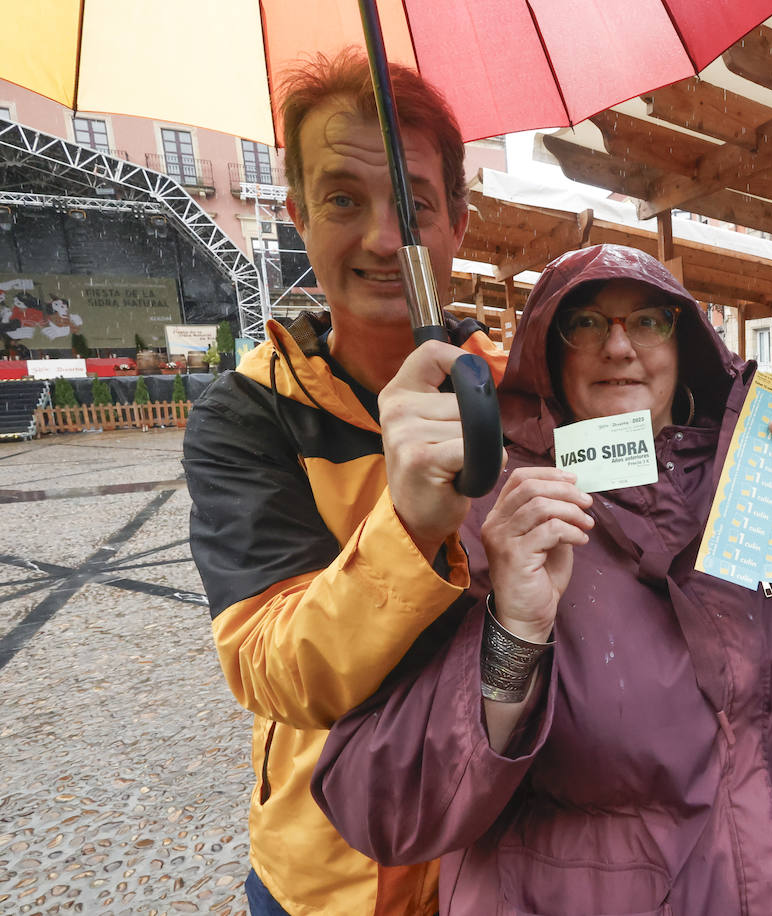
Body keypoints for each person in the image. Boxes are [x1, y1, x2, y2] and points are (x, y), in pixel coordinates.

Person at [312, 244, 772, 915]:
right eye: (585, 323)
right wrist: (515, 630)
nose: (619, 348)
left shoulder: (761, 473)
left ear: (685, 344)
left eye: (648, 321)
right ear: (548, 352)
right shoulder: (487, 509)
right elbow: (385, 802)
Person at [183, 51, 506, 916]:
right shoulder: (248, 415)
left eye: (414, 206)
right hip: (328, 877)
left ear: (458, 226)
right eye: (341, 201)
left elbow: (655, 472)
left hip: (500, 859)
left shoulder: (519, 390)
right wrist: (407, 527)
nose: (381, 239)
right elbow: (269, 665)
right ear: (296, 212)